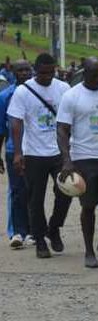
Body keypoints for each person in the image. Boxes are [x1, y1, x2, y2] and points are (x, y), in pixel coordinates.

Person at [56, 57, 98, 268]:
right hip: (84, 157)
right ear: (84, 74)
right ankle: (89, 251)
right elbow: (62, 130)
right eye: (94, 75)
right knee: (89, 206)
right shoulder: (71, 96)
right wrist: (67, 160)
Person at [8, 53, 72, 259]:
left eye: (50, 72)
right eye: (43, 73)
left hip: (59, 152)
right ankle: (40, 241)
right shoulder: (23, 91)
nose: (47, 77)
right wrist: (18, 153)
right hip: (34, 153)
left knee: (66, 192)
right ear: (35, 70)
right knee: (35, 199)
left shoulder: (63, 88)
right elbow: (16, 122)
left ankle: (54, 227)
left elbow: (71, 118)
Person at [0, 60, 33, 248]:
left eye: (27, 70)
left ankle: (32, 231)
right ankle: (16, 232)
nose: (25, 73)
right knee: (16, 191)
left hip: (35, 150)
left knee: (33, 191)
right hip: (14, 150)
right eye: (20, 70)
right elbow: (1, 128)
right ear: (12, 72)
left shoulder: (38, 92)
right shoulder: (5, 96)